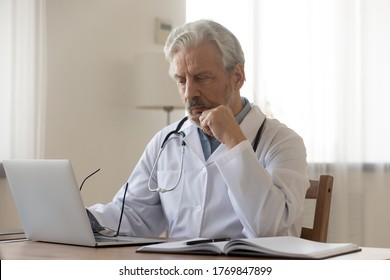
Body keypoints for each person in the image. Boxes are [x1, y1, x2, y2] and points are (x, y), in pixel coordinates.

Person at [88, 19, 309, 239]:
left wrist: (235, 141)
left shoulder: (282, 142)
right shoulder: (167, 140)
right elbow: (133, 214)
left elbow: (272, 230)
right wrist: (85, 218)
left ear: (237, 77)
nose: (189, 93)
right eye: (181, 80)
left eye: (201, 78)